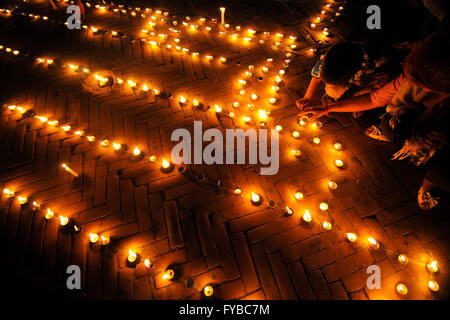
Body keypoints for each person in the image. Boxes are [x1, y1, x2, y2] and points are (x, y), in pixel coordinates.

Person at [298, 28, 450, 210]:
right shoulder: (407, 76)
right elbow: (374, 99)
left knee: (397, 132)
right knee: (370, 118)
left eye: (416, 80)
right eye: (407, 75)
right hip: (414, 105)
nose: (407, 81)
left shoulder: (379, 62)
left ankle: (434, 177)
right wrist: (325, 108)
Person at [296, 42, 397, 118]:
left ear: (347, 82)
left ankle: (353, 100)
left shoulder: (369, 66)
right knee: (334, 93)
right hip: (355, 73)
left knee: (357, 95)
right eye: (326, 83)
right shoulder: (325, 63)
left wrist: (360, 89)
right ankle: (344, 100)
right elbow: (316, 76)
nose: (326, 86)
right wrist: (307, 97)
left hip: (378, 73)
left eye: (329, 84)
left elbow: (375, 95)